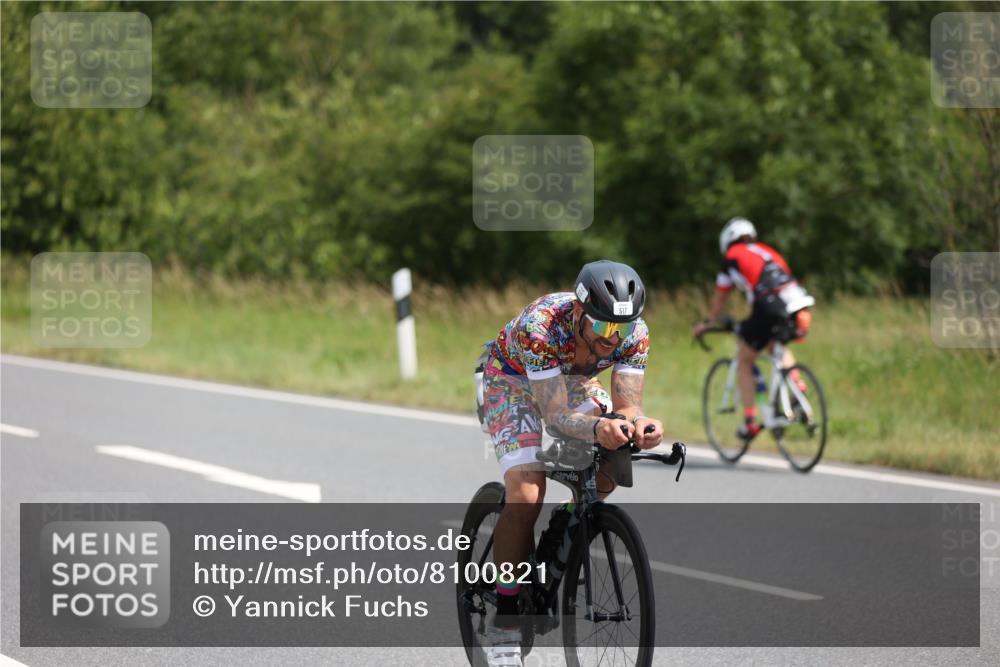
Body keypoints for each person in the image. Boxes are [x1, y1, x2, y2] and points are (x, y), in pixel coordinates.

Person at [474, 260, 664, 667]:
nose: (615, 338)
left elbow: (629, 405)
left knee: (618, 453)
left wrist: (642, 425)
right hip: (513, 381)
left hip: (572, 381)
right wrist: (598, 428)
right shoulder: (542, 325)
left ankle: (568, 521)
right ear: (579, 313)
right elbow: (556, 415)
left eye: (625, 328)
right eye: (605, 327)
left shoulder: (634, 332)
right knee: (526, 490)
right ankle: (505, 617)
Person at [692, 217, 815, 441]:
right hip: (799, 302)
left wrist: (708, 324)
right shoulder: (768, 251)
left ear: (728, 240)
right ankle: (798, 386)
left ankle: (749, 421)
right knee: (774, 344)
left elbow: (721, 296)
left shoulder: (731, 257)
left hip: (770, 303)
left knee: (744, 358)